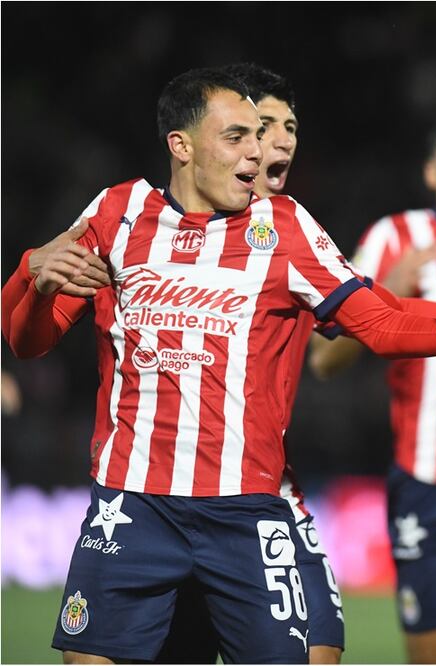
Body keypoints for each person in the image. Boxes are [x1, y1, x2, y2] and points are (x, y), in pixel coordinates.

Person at [0, 67, 436, 664]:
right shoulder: (118, 212)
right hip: (131, 503)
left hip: (244, 508)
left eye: (266, 133)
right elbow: (27, 341)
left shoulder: (283, 226)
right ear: (182, 145)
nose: (260, 149)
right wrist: (34, 274)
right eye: (239, 136)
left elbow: (378, 322)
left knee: (312, 655)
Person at [307, 105, 436, 664]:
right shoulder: (392, 238)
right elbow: (323, 361)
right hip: (426, 485)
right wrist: (386, 293)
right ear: (431, 171)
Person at [154, 63, 346, 665]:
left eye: (290, 127)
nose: (279, 141)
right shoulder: (150, 236)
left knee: (320, 649)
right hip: (165, 499)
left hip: (268, 492)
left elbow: (359, 328)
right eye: (261, 127)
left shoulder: (291, 233)